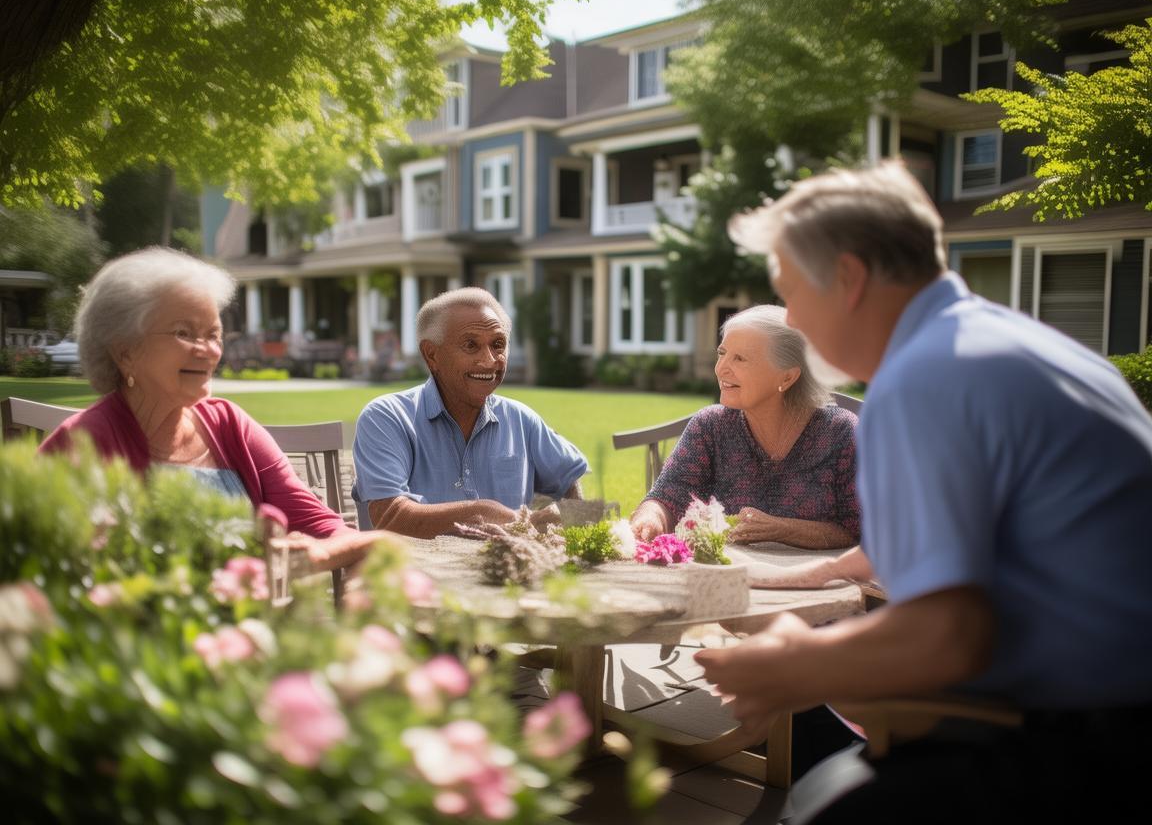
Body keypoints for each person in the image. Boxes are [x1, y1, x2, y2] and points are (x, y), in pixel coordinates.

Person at [697, 161, 1152, 822]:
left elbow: (949, 636)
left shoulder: (923, 378)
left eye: (791, 293)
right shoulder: (1000, 343)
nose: (791, 316)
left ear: (848, 278)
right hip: (1101, 713)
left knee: (822, 802)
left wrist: (798, 665)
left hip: (1098, 738)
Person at [39, 247, 391, 573]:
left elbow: (328, 527)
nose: (208, 350)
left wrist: (318, 554)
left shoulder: (229, 425)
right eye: (185, 333)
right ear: (125, 352)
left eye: (214, 334)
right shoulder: (81, 443)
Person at [353, 287, 587, 539]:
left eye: (498, 345)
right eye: (470, 345)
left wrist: (565, 516)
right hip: (417, 574)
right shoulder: (387, 417)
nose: (489, 361)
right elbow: (391, 517)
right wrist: (485, 512)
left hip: (506, 574)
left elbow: (571, 486)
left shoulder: (522, 419)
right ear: (431, 355)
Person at [629, 304, 860, 556]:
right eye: (722, 353)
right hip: (731, 578)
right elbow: (667, 498)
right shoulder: (711, 427)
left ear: (787, 378)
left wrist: (782, 529)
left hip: (826, 580)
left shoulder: (840, 433)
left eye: (739, 358)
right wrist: (651, 517)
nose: (721, 369)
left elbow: (862, 530)